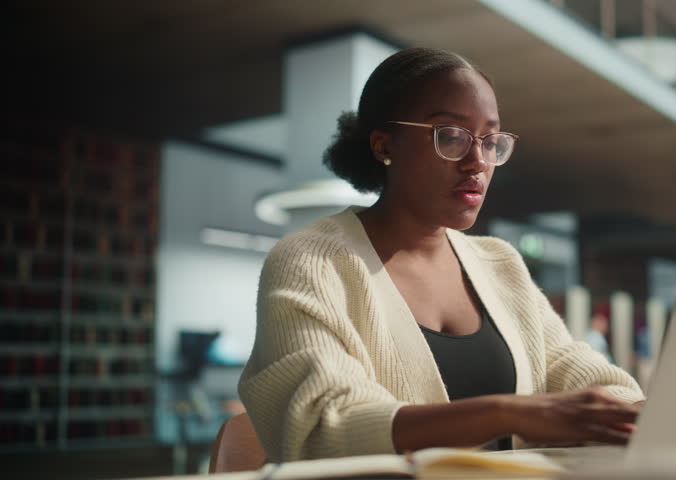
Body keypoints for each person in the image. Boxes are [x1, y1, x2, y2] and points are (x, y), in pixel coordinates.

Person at [238, 47, 645, 462]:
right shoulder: (312, 261)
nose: (478, 162)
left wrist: (639, 411)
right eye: (450, 136)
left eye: (491, 141)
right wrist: (508, 413)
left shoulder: (499, 263)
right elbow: (327, 423)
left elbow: (573, 370)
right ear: (383, 145)